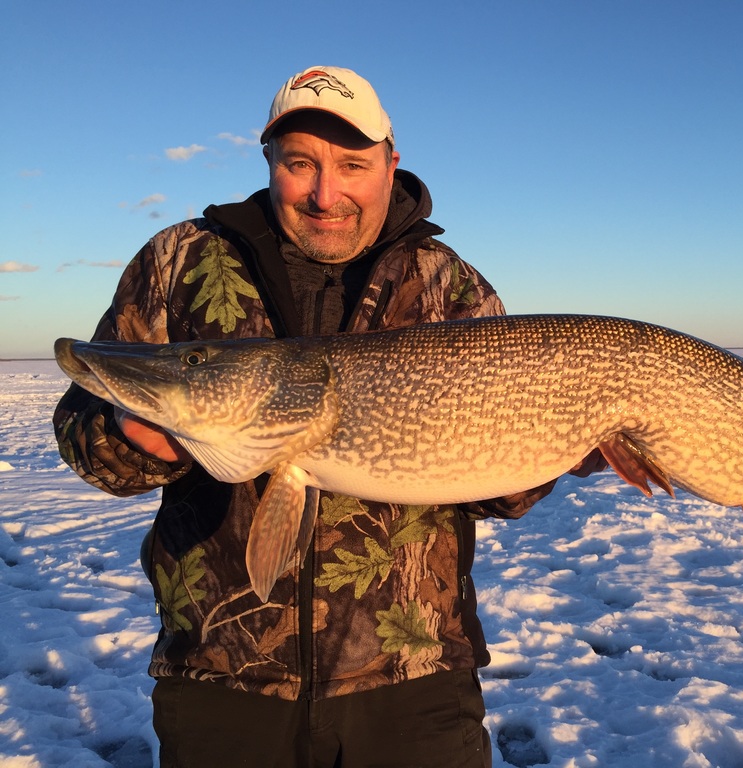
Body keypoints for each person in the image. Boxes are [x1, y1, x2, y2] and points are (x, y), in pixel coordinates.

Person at [53, 65, 603, 768]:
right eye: (300, 163)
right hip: (222, 679)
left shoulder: (448, 284)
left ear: (390, 163)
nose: (325, 192)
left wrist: (567, 442)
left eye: (352, 164)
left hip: (412, 685)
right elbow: (82, 428)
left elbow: (505, 490)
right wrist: (129, 435)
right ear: (270, 163)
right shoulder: (179, 261)